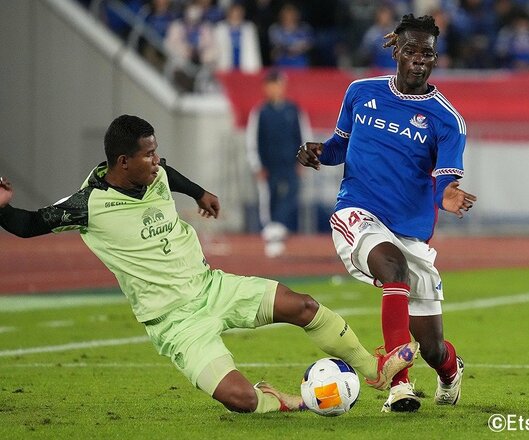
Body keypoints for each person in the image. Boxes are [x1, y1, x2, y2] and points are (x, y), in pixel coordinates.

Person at [0, 115, 418, 414]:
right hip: (175, 322)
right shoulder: (86, 205)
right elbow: (27, 224)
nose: (157, 160)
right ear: (122, 162)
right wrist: (1, 208)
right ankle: (283, 401)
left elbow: (169, 173)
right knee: (241, 401)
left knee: (303, 305)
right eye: (148, 155)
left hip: (212, 287)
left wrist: (200, 193)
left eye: (156, 151)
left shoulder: (154, 174)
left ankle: (374, 370)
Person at [296, 15, 477, 413]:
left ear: (434, 58)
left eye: (426, 54)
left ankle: (450, 370)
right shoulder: (361, 92)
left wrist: (446, 195)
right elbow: (340, 145)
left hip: (411, 231)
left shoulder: (447, 119)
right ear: (396, 49)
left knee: (431, 346)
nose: (418, 60)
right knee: (391, 267)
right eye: (410, 51)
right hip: (357, 210)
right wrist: (319, 152)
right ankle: (400, 384)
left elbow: (445, 176)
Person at [246, 70, 311, 257]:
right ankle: (271, 233)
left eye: (278, 85)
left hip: (290, 163)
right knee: (269, 198)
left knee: (290, 195)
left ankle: (278, 230)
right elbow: (253, 140)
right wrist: (256, 165)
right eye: (271, 85)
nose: (275, 89)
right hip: (269, 165)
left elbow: (303, 136)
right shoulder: (260, 112)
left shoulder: (293, 110)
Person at [213, 2, 262, 73]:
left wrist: (257, 67)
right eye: (233, 12)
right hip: (224, 66)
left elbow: (254, 49)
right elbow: (215, 49)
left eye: (238, 13)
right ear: (228, 13)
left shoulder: (249, 28)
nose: (236, 15)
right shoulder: (219, 28)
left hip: (247, 67)